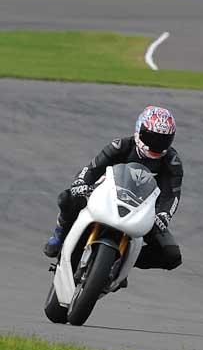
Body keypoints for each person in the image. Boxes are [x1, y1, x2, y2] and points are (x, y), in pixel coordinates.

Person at [43, 106, 183, 273]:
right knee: (67, 198)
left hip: (143, 212)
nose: (156, 144)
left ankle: (123, 262)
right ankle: (60, 234)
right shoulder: (120, 146)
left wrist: (164, 215)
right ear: (139, 130)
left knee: (172, 256)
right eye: (151, 137)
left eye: (162, 140)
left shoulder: (172, 162)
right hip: (106, 196)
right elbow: (92, 168)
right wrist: (80, 183)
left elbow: (172, 194)